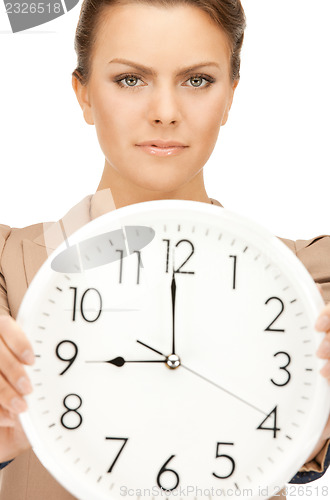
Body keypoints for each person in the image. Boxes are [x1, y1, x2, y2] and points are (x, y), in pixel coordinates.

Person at [0, 0, 330, 499]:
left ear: (230, 96)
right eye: (131, 79)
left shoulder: (306, 281)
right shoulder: (11, 265)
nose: (165, 113)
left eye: (197, 80)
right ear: (83, 94)